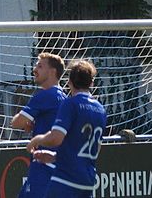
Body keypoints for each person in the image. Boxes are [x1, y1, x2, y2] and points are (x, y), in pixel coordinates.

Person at [27, 60, 107, 198]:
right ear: (91, 83)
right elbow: (95, 148)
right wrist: (55, 157)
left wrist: (37, 139)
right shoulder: (100, 109)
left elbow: (56, 138)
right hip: (87, 181)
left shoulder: (70, 104)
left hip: (66, 179)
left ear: (69, 82)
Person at [11, 53, 67, 198]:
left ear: (53, 72)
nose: (34, 70)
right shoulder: (64, 97)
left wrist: (25, 121)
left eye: (40, 66)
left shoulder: (45, 95)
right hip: (59, 167)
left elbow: (16, 123)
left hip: (43, 166)